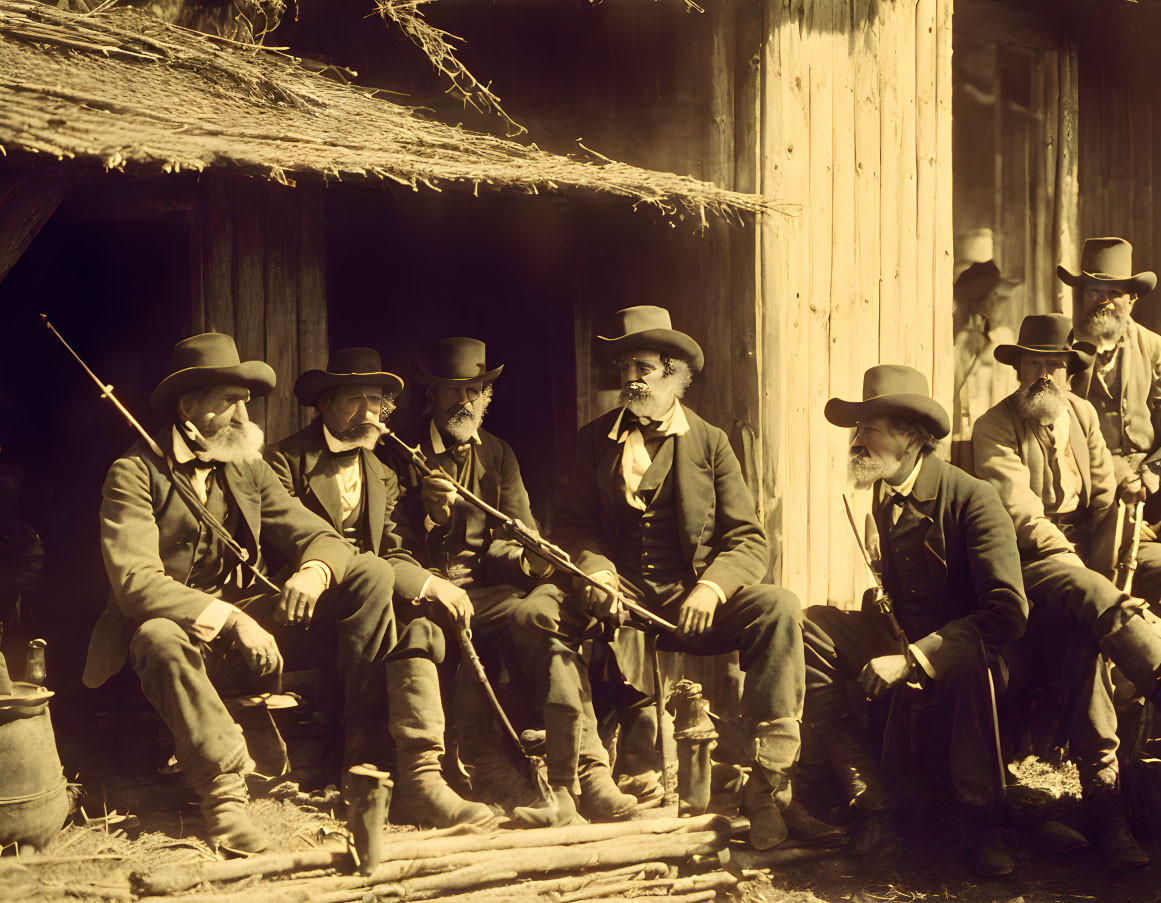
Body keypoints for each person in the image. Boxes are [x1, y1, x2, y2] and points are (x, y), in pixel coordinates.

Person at [82, 334, 396, 852]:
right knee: (159, 635)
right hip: (173, 645)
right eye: (229, 400)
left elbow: (320, 536)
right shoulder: (133, 473)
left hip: (242, 639)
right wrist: (232, 618)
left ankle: (360, 764)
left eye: (246, 399)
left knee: (370, 576)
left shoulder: (245, 464)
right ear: (189, 408)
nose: (244, 412)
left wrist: (313, 571)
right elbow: (136, 585)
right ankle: (225, 800)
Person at [543, 306, 829, 848]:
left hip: (692, 600)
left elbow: (748, 538)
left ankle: (768, 786)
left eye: (644, 367)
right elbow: (573, 525)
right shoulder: (593, 440)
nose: (631, 377)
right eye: (625, 366)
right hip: (618, 596)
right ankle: (586, 770)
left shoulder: (710, 442)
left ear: (676, 374)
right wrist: (597, 570)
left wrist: (712, 586)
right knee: (544, 614)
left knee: (779, 606)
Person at [807, 364, 1028, 874]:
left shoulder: (974, 498)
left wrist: (913, 660)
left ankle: (982, 826)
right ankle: (870, 795)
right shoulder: (884, 497)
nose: (856, 441)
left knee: (968, 663)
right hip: (905, 643)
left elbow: (1006, 613)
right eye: (857, 430)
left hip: (980, 656)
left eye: (870, 430)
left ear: (911, 438)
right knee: (806, 624)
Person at [264, 346, 490, 827]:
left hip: (364, 613)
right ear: (324, 403)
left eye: (377, 401)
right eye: (354, 399)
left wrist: (432, 584)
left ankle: (419, 779)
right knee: (373, 578)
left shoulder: (381, 472)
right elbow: (288, 546)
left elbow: (394, 552)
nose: (369, 412)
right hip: (297, 615)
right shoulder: (281, 462)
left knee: (423, 630)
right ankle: (364, 771)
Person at [973, 313, 1161, 869]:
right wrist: (1085, 567)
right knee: (1086, 592)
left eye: (1056, 364)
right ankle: (1157, 669)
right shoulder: (994, 426)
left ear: (1070, 371)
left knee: (1086, 636)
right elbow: (1021, 514)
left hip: (1084, 569)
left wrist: (1116, 541)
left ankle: (1109, 820)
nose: (1046, 376)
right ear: (1018, 371)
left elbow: (1102, 499)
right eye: (1035, 364)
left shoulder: (1080, 415)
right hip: (1026, 565)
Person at [1065, 238, 1161, 512]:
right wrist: (1113, 471)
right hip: (1086, 475)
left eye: (1114, 292)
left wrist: (1152, 471)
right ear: (1081, 297)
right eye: (1095, 291)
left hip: (1149, 481)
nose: (1104, 301)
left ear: (1131, 300)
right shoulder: (1063, 351)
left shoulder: (1155, 347)